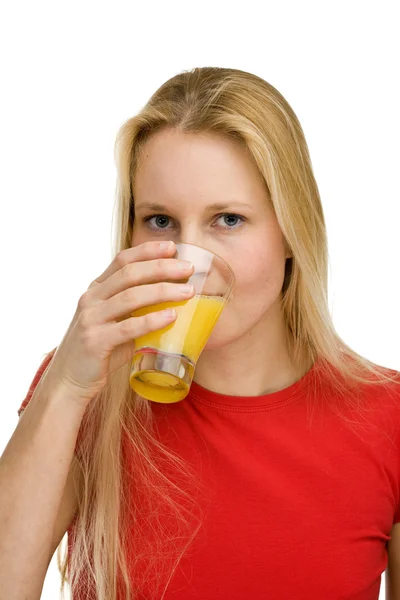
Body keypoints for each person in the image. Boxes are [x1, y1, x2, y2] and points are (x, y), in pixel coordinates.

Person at [1, 66, 400, 600]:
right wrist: (64, 389)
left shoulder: (387, 417)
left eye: (228, 220)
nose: (190, 264)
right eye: (161, 221)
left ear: (292, 232)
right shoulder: (86, 395)